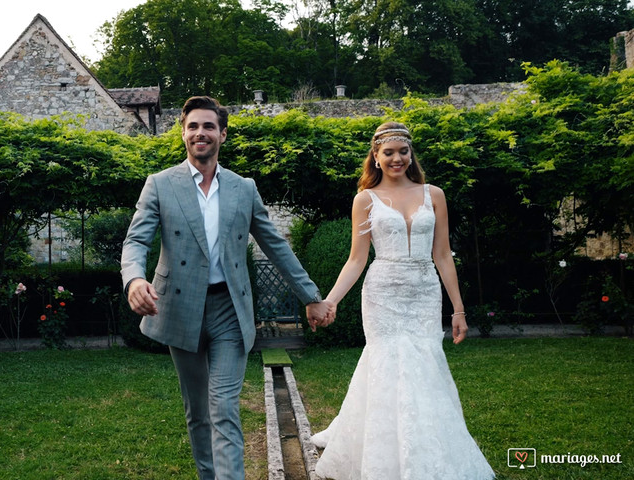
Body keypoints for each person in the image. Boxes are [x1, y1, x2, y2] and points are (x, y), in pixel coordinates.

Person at [121, 96, 333, 480]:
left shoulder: (243, 188)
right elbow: (136, 240)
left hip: (229, 311)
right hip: (181, 309)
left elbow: (276, 245)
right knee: (198, 412)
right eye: (193, 127)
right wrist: (135, 278)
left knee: (223, 407)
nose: (200, 133)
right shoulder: (159, 185)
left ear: (222, 133)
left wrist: (311, 297)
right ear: (183, 133)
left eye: (208, 127)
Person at [309, 122, 495, 479]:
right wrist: (329, 301)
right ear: (376, 157)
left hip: (424, 292)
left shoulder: (433, 194)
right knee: (387, 364)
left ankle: (427, 447)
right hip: (382, 294)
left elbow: (443, 254)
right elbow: (356, 259)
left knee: (425, 364)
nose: (397, 158)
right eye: (389, 152)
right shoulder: (365, 199)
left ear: (411, 155)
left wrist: (458, 310)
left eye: (403, 151)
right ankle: (381, 456)